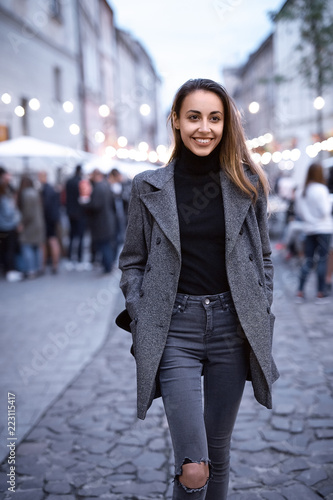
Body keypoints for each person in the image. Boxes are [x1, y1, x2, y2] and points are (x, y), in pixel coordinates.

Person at [118, 78, 279, 499]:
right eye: (193, 117)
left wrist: (260, 304)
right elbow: (132, 260)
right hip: (175, 329)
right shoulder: (148, 186)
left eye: (214, 118)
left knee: (218, 455)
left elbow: (263, 257)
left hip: (232, 326)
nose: (203, 128)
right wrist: (142, 310)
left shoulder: (247, 184)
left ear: (226, 125)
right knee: (193, 466)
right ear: (175, 120)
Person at [295, 163, 333, 304]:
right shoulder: (321, 189)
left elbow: (299, 212)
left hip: (309, 228)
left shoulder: (302, 190)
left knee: (308, 260)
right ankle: (320, 293)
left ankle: (300, 291)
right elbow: (325, 211)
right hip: (323, 228)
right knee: (322, 259)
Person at [79, 169, 117, 274]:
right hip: (107, 220)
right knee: (106, 244)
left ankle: (107, 266)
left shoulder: (99, 187)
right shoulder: (105, 185)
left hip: (102, 222)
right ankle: (108, 265)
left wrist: (85, 204)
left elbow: (96, 205)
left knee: (104, 244)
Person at [17, 175, 45, 278]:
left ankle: (30, 270)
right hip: (38, 223)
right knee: (37, 246)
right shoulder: (35, 192)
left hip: (30, 225)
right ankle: (38, 268)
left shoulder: (26, 194)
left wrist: (22, 223)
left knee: (26, 245)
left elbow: (28, 213)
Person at [0, 167, 23, 281]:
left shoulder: (6, 193)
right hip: (7, 226)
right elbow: (8, 212)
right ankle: (10, 271)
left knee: (5, 249)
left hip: (3, 226)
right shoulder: (4, 196)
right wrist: (13, 204)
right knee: (9, 249)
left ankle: (7, 270)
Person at [38, 171, 61, 274]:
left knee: (50, 241)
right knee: (52, 241)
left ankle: (51, 265)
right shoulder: (50, 188)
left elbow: (46, 206)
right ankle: (54, 264)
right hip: (52, 218)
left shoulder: (46, 189)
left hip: (48, 219)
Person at [65, 165, 86, 268]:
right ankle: (79, 259)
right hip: (80, 212)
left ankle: (70, 258)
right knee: (80, 237)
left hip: (70, 212)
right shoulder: (81, 182)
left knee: (72, 236)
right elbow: (84, 198)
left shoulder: (69, 181)